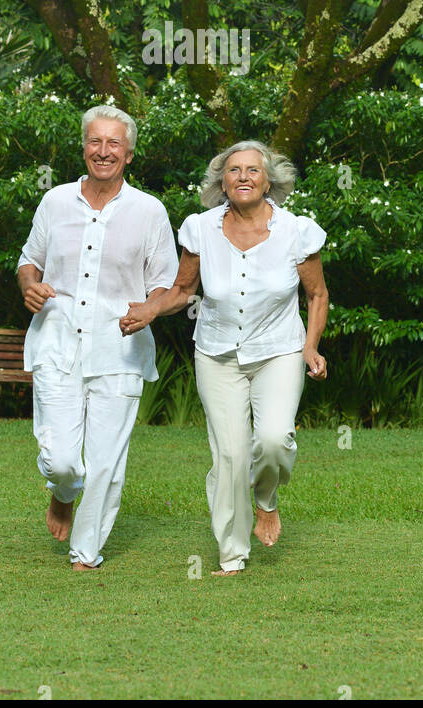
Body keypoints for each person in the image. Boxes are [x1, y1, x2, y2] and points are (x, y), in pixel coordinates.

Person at [120, 140, 329, 575]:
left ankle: (266, 499)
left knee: (272, 440)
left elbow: (317, 294)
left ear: (270, 180)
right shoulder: (200, 228)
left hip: (279, 350)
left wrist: (310, 346)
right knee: (230, 455)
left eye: (253, 170)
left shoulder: (298, 232)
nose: (244, 177)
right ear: (222, 181)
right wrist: (149, 310)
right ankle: (232, 555)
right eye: (234, 170)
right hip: (216, 353)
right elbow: (182, 291)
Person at [17, 105, 178, 572]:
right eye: (95, 142)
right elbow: (29, 260)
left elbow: (165, 284)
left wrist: (150, 308)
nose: (103, 152)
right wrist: (29, 285)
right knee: (63, 460)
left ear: (128, 154)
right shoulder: (55, 202)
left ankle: (86, 553)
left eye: (114, 144)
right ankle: (63, 492)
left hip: (119, 350)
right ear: (83, 147)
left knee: (106, 460)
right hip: (57, 341)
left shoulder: (150, 211)